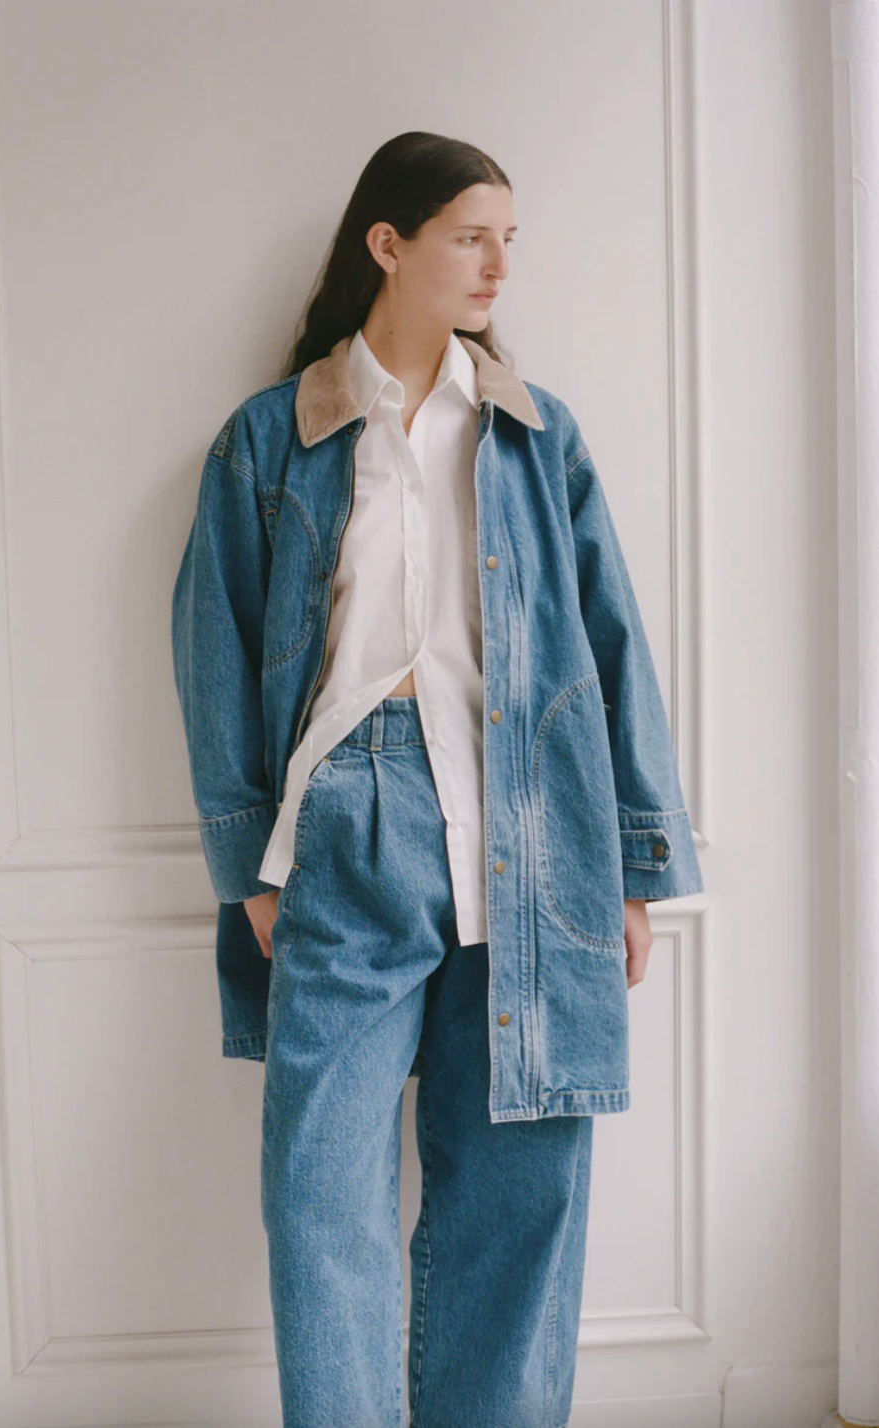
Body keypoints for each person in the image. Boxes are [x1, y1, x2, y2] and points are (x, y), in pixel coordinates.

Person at [171, 130, 704, 1428]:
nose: (498, 265)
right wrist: (248, 868)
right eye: (472, 236)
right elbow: (210, 649)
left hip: (532, 824)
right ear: (388, 244)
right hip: (347, 823)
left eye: (508, 240)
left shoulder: (536, 435)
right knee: (321, 1192)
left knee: (518, 1188)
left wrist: (633, 871)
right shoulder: (273, 436)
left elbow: (614, 648)